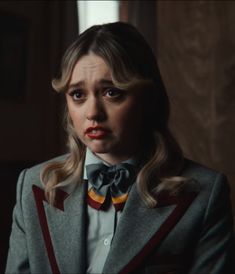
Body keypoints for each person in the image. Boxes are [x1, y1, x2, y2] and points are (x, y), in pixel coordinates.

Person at [5, 22, 234, 274]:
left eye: (112, 92)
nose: (93, 113)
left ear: (148, 98)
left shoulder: (204, 193)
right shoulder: (34, 186)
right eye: (78, 95)